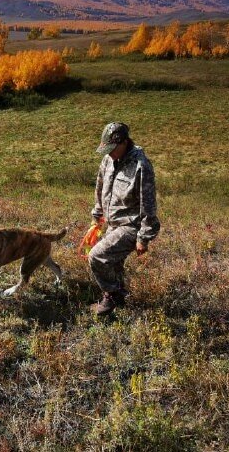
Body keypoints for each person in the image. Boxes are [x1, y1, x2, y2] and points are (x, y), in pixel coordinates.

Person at [88, 122, 160, 315]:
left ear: (125, 143)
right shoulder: (107, 160)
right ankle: (121, 302)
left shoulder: (141, 165)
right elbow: (100, 188)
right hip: (112, 223)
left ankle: (111, 295)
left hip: (131, 225)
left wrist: (143, 237)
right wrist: (97, 216)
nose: (110, 153)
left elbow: (149, 203)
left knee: (97, 256)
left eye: (113, 149)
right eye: (107, 149)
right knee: (114, 262)